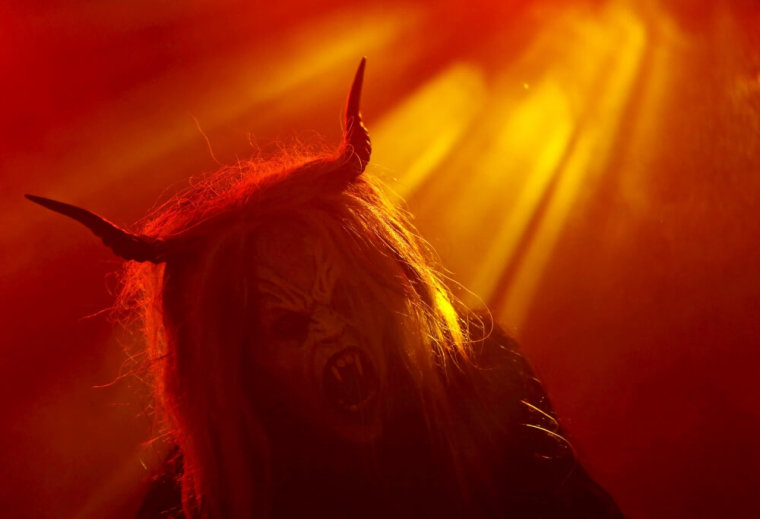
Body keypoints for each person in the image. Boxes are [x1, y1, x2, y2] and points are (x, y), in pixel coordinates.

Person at [27, 59, 623, 518]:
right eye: (290, 326)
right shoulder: (205, 494)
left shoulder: (484, 379)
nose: (335, 331)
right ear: (244, 360)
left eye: (345, 299)